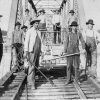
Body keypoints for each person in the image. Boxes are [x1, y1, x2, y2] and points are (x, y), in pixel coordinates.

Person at [24, 18, 41, 89]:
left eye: (38, 23)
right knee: (32, 67)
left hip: (37, 51)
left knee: (36, 66)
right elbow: (26, 41)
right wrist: (26, 51)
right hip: (32, 51)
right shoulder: (29, 31)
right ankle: (32, 84)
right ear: (33, 24)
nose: (37, 24)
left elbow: (40, 42)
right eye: (36, 23)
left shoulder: (39, 32)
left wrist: (42, 51)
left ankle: (30, 80)